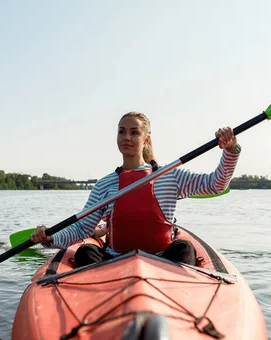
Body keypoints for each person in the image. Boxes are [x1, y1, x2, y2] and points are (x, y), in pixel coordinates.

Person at [30, 111, 241, 267]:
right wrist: (51, 237)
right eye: (121, 132)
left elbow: (216, 184)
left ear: (145, 139)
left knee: (184, 248)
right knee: (86, 251)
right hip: (114, 261)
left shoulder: (169, 175)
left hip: (163, 258)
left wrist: (231, 150)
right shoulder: (106, 184)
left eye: (134, 132)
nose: (126, 138)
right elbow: (81, 229)